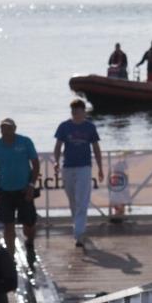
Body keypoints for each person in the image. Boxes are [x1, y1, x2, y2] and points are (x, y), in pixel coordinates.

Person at [0, 118, 40, 267]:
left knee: (29, 224)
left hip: (24, 191)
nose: (6, 131)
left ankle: (29, 243)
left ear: (15, 128)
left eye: (9, 128)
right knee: (8, 225)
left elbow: (35, 164)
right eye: (3, 128)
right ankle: (10, 258)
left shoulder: (25, 142)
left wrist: (31, 185)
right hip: (5, 192)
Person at [53, 100, 104, 247]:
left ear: (83, 111)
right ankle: (78, 226)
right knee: (73, 200)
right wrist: (56, 162)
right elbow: (58, 146)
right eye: (73, 111)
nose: (75, 114)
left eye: (78, 111)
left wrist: (100, 167)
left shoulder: (90, 127)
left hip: (84, 167)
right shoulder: (64, 126)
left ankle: (79, 233)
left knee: (82, 199)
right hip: (68, 166)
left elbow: (96, 148)